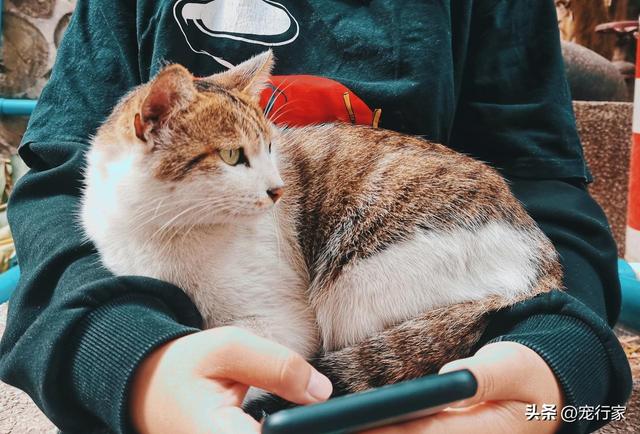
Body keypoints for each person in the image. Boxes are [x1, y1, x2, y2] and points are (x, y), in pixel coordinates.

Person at [0, 1, 632, 433]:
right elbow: (54, 180)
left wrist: (561, 367)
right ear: (152, 123)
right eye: (241, 159)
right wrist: (132, 364)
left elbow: (543, 185)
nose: (273, 189)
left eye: (268, 153)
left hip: (455, 276)